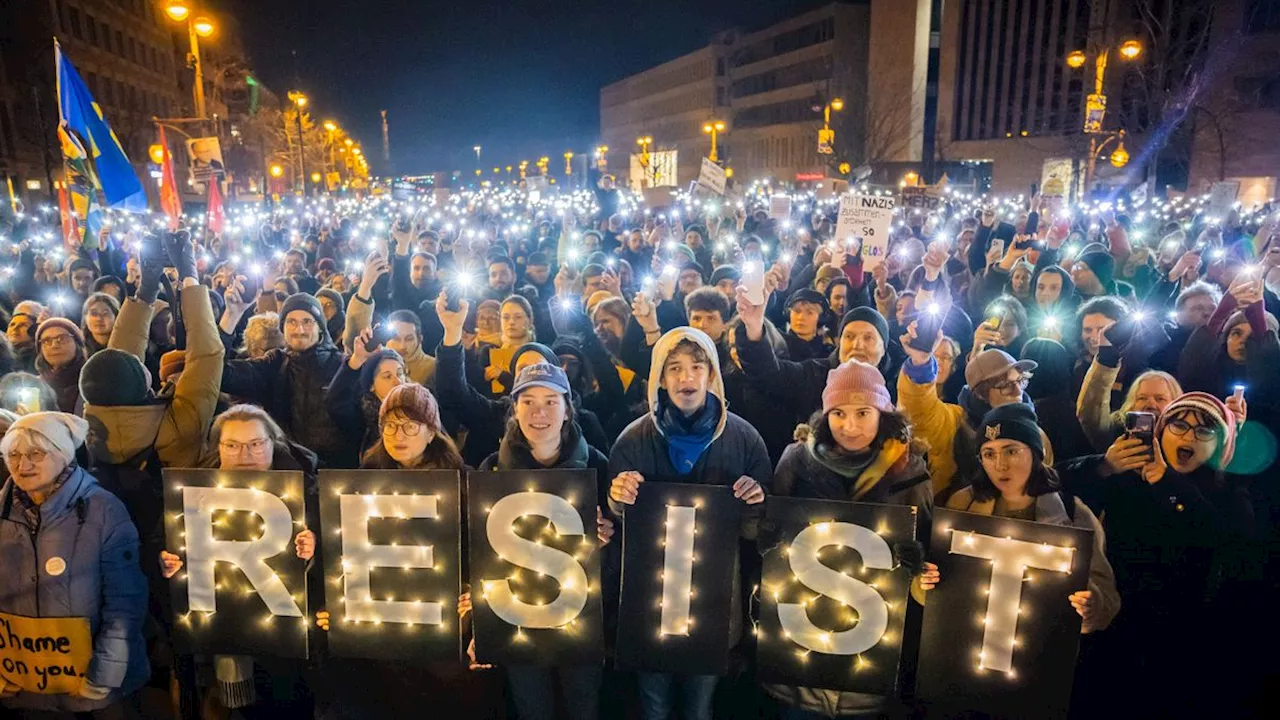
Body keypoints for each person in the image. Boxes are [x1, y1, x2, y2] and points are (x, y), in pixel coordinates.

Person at [1056, 393, 1254, 718]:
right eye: (1178, 424)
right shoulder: (1131, 479)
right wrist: (1103, 466)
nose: (1188, 436)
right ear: (1161, 430)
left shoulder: (1230, 496)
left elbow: (1221, 537)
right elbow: (1057, 486)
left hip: (1181, 641)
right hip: (1117, 626)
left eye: (1204, 430)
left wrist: (1168, 482)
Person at [608, 327, 771, 720]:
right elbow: (617, 532)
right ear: (660, 379)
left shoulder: (744, 439)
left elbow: (757, 536)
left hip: (715, 606)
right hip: (650, 605)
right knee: (654, 704)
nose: (686, 378)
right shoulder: (632, 441)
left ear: (712, 374)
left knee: (699, 708)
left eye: (697, 367)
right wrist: (618, 500)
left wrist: (753, 504)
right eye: (675, 369)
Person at [762, 359, 936, 718]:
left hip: (868, 663)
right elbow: (764, 533)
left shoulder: (909, 472)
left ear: (883, 414)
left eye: (862, 412)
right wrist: (766, 536)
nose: (850, 425)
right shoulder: (797, 460)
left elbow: (930, 553)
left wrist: (915, 559)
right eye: (838, 413)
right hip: (801, 661)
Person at [471, 362, 613, 720]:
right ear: (514, 409)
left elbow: (625, 544)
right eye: (528, 401)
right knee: (532, 709)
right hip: (519, 618)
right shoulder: (490, 470)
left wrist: (609, 535)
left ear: (567, 410)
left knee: (584, 707)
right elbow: (479, 553)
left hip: (581, 618)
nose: (539, 412)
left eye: (551, 401)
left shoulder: (598, 464)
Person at [158, 404, 318, 716]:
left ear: (274, 443)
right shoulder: (191, 493)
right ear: (217, 447)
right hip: (222, 639)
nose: (245, 454)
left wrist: (315, 551)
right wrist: (166, 562)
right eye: (232, 445)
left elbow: (333, 564)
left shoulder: (305, 489)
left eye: (256, 444)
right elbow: (164, 547)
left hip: (287, 646)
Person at [0, 412, 150, 714]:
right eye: (13, 455)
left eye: (36, 454)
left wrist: (104, 674)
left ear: (63, 455)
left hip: (95, 691)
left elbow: (125, 602)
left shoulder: (103, 510)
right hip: (24, 687)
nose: (22, 465)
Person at [939, 402, 1120, 635]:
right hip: (969, 640)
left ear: (1035, 453)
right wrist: (925, 582)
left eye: (1011, 451)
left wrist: (1093, 605)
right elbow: (937, 588)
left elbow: (1107, 599)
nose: (1000, 464)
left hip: (1039, 645)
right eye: (989, 454)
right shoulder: (962, 505)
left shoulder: (1072, 513)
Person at [897, 320, 1048, 496]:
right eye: (1005, 385)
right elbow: (920, 409)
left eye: (1020, 381)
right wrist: (920, 362)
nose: (1017, 391)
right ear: (980, 393)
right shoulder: (955, 421)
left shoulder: (1036, 432)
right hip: (957, 516)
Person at [219, 292, 353, 468]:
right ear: (283, 328)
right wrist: (231, 317)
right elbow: (222, 375)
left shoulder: (342, 365)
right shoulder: (274, 363)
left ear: (320, 326)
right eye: (292, 322)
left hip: (336, 475)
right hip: (286, 474)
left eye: (307, 321)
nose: (299, 330)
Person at [326, 328, 408, 454]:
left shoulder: (419, 406)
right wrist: (357, 360)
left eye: (400, 373)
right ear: (371, 385)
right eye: (387, 376)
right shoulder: (362, 417)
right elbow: (336, 401)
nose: (397, 382)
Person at [34, 317, 87, 413]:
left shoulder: (92, 382)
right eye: (46, 341)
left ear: (77, 344)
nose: (54, 345)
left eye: (62, 338)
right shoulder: (34, 386)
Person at [80, 292, 120, 357]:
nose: (99, 318)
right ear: (85, 318)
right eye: (94, 313)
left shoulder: (125, 345)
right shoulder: (79, 349)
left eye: (105, 313)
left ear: (116, 317)